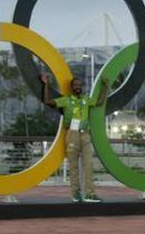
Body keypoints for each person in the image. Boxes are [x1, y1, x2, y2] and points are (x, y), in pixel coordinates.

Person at [41, 71, 109, 202]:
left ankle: (90, 194)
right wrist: (46, 84)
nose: (78, 87)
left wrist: (105, 86)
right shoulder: (66, 100)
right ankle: (76, 194)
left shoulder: (86, 100)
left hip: (85, 135)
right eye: (75, 85)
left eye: (80, 85)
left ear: (82, 86)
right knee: (73, 166)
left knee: (88, 164)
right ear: (71, 87)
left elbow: (100, 102)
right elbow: (47, 101)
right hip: (72, 134)